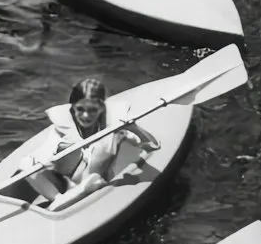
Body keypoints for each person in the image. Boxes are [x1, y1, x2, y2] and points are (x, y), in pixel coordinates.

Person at [26, 77, 160, 211]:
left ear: (101, 108)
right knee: (26, 163)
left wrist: (133, 128)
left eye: (92, 110)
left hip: (92, 184)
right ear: (73, 108)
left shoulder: (115, 128)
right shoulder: (63, 126)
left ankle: (66, 200)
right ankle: (59, 200)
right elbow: (46, 150)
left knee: (95, 173)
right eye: (80, 109)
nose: (85, 115)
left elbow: (153, 146)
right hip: (67, 183)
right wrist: (45, 159)